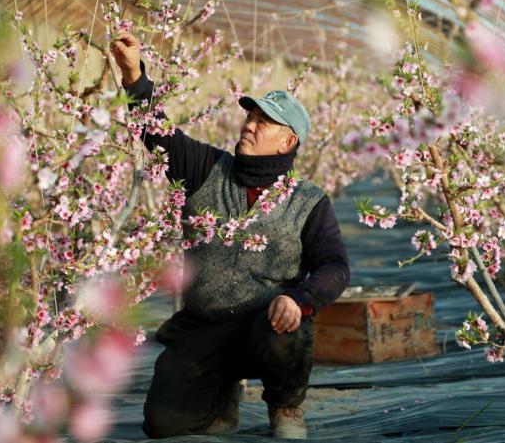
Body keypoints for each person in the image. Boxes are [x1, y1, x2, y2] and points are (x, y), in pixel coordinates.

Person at [110, 33, 350, 440]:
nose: (249, 126)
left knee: (285, 329)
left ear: (288, 141)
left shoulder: (308, 201)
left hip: (264, 324)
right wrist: (134, 75)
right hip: (201, 328)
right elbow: (159, 134)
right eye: (249, 117)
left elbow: (335, 266)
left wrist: (299, 299)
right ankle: (223, 395)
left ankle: (285, 407)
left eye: (263, 122)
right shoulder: (208, 169)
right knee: (164, 426)